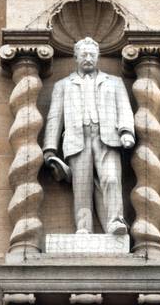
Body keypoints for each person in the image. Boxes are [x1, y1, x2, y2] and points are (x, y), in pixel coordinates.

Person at [43, 36, 135, 236]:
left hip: (107, 138)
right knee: (82, 186)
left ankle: (115, 221)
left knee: (111, 179)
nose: (88, 58)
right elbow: (54, 118)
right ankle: (84, 227)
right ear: (76, 57)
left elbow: (125, 109)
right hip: (77, 139)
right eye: (84, 54)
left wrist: (127, 132)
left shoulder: (115, 82)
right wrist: (49, 149)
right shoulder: (63, 85)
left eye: (92, 54)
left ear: (98, 57)